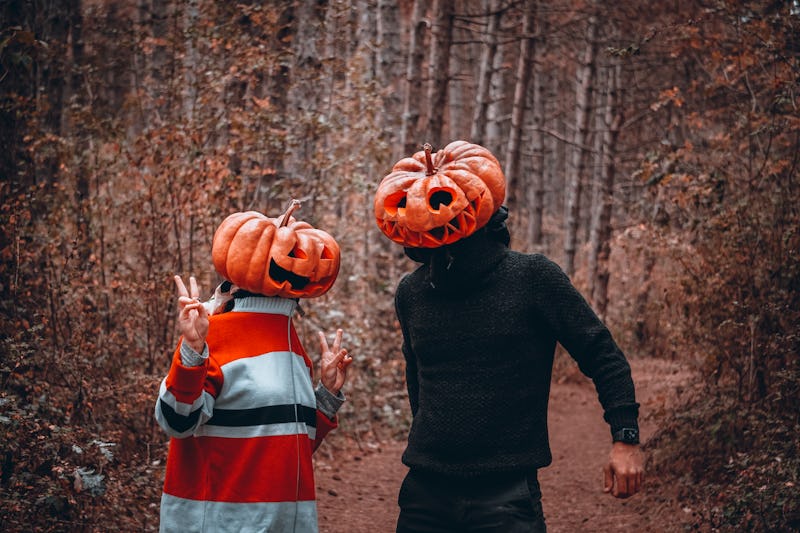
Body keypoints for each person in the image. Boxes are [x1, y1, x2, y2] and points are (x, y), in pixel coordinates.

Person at [374, 142, 643, 532]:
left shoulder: (533, 278)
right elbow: (418, 377)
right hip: (424, 491)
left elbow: (602, 353)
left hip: (507, 494)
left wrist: (626, 437)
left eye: (442, 201)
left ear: (481, 208)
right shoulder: (411, 292)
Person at [154, 273, 352, 533]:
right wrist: (192, 349)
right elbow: (177, 422)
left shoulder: (293, 348)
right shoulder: (214, 335)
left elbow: (291, 446)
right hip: (222, 523)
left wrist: (326, 395)